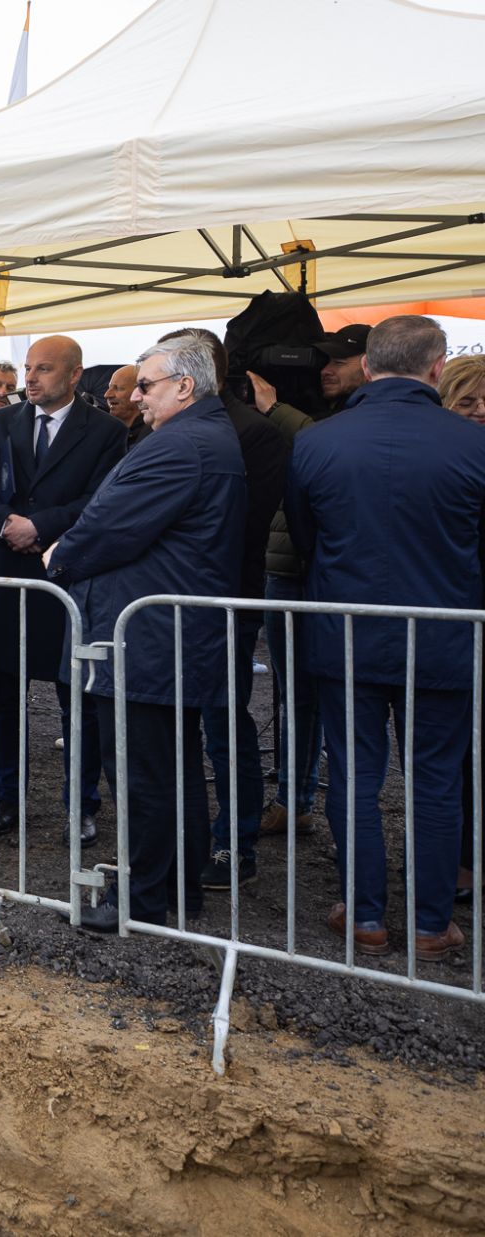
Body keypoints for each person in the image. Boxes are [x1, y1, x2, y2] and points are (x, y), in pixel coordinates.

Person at [286, 316, 485, 963]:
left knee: (354, 775)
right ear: (437, 368)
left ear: (367, 368)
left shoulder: (319, 442)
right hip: (445, 636)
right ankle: (430, 925)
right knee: (433, 780)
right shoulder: (473, 444)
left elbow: (306, 535)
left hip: (348, 636)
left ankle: (365, 915)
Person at [44, 336, 245, 932]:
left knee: (144, 774)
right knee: (169, 769)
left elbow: (109, 526)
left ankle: (143, 899)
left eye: (147, 386)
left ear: (185, 386)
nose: (136, 396)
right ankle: (176, 890)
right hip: (162, 635)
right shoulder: (201, 436)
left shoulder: (181, 446)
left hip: (146, 638)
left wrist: (61, 555)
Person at [0, 335, 127, 847]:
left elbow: (100, 501)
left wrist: (37, 526)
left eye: (43, 370)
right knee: (3, 697)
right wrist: (5, 522)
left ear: (75, 375)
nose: (30, 379)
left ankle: (81, 805)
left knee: (76, 698)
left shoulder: (104, 431)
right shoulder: (2, 422)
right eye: (28, 369)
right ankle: (5, 797)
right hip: (3, 574)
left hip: (66, 578)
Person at [175, 329, 289, 892]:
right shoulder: (168, 427)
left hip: (224, 602)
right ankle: (187, 837)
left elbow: (243, 524)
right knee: (173, 726)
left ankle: (234, 843)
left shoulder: (256, 435)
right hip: (169, 603)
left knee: (224, 723)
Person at [247, 325, 371, 838]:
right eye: (321, 359)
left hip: (323, 574)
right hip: (287, 568)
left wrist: (274, 409)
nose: (326, 368)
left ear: (372, 363)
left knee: (326, 698)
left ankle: (301, 798)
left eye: (340, 360)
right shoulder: (319, 409)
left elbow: (330, 447)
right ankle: (293, 795)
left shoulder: (347, 420)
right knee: (292, 691)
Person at [441, 353, 485, 905]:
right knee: (462, 752)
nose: (479, 412)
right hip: (463, 619)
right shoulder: (448, 460)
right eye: (467, 401)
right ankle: (462, 861)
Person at [104, 364, 151, 446]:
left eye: (118, 388)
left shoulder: (152, 434)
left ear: (139, 391)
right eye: (109, 387)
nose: (107, 394)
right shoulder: (103, 429)